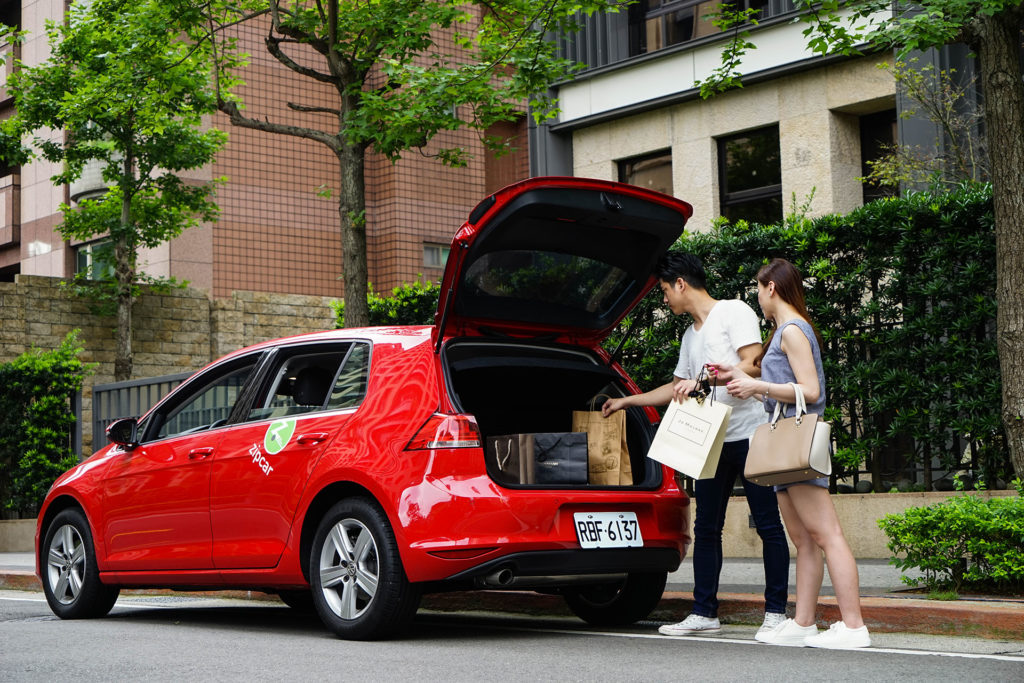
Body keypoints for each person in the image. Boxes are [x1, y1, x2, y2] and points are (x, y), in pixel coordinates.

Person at [602, 252, 789, 639]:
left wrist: (708, 382)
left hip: (750, 433)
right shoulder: (690, 335)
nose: (665, 298)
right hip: (711, 439)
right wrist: (626, 401)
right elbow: (676, 387)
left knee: (768, 525)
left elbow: (754, 366)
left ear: (681, 284)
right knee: (706, 528)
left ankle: (775, 613)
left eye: (665, 290)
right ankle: (704, 612)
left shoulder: (733, 312)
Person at [710, 257, 871, 649]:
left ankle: (853, 627)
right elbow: (780, 380)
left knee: (827, 534)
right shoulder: (783, 331)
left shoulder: (794, 331)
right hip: (784, 446)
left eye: (758, 289)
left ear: (772, 288)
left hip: (794, 444)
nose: (757, 297)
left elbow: (811, 391)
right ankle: (803, 623)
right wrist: (737, 376)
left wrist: (756, 388)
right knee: (804, 539)